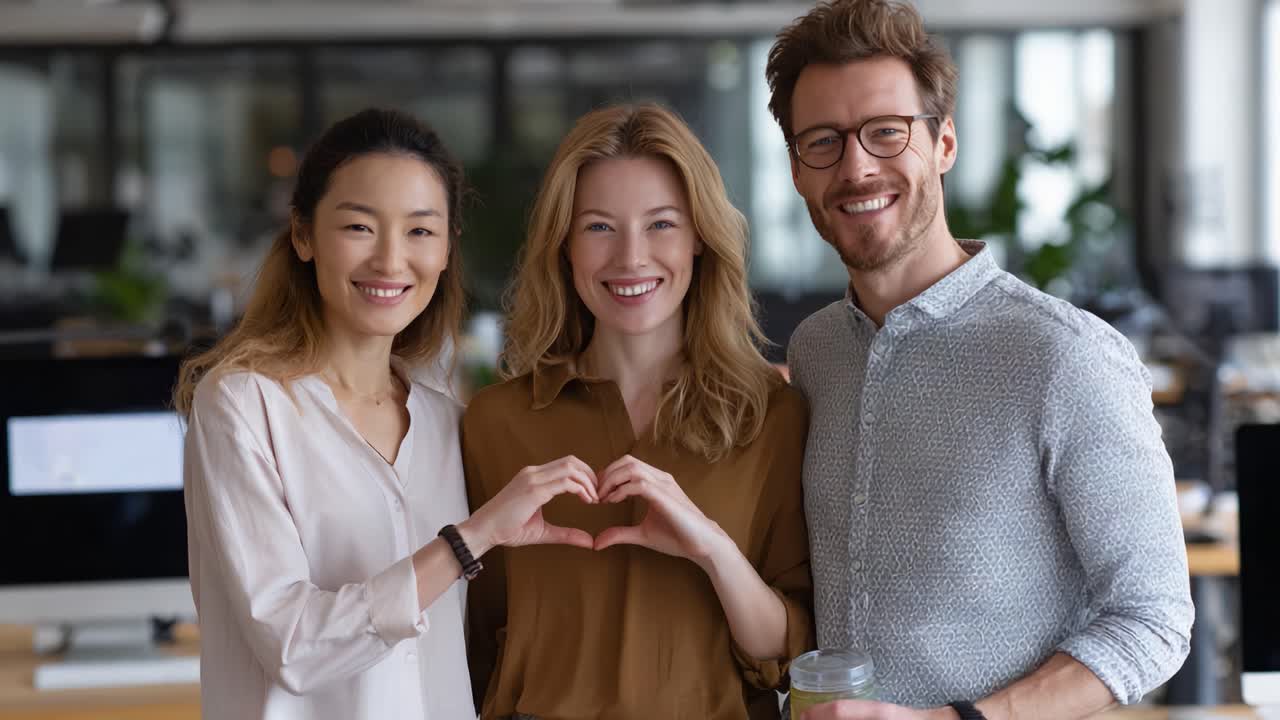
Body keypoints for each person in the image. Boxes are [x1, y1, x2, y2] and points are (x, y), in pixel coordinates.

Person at [764, 2, 1195, 718]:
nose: (857, 166)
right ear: (797, 171)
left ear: (944, 143)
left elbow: (1153, 619)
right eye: (824, 142)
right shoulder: (816, 351)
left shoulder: (1065, 357)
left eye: (886, 132)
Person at [176, 108, 607, 720]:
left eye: (420, 231)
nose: (389, 260)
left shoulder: (445, 420)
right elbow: (292, 644)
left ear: (447, 249)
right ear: (303, 235)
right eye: (359, 226)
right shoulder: (243, 404)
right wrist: (471, 539)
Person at [461, 103, 814, 720]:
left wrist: (711, 549)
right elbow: (473, 643)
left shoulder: (772, 416)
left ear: (700, 237)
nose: (630, 258)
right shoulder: (494, 423)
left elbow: (788, 654)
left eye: (660, 225)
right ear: (563, 245)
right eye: (599, 227)